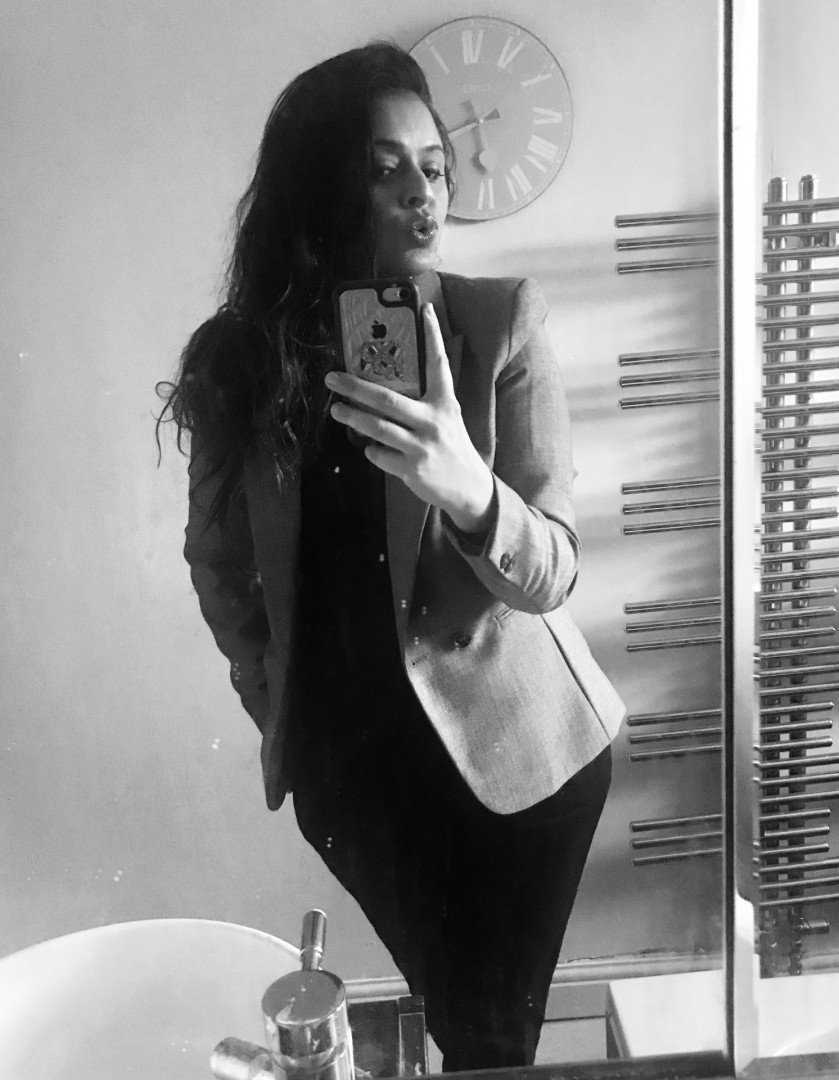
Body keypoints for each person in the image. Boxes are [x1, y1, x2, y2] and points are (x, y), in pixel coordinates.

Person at [156, 41, 625, 1070]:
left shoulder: (498, 323)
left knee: (486, 1033)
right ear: (321, 186)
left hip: (517, 759)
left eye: (435, 166)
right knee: (464, 1015)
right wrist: (277, 700)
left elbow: (551, 568)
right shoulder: (239, 363)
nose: (423, 194)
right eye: (384, 169)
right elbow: (216, 563)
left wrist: (466, 487)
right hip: (350, 776)